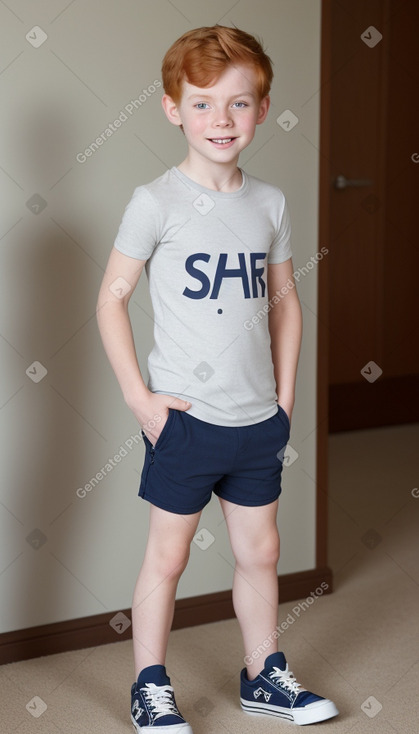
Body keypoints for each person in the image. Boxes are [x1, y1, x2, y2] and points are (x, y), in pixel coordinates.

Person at [97, 24, 339, 733]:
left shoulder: (268, 203)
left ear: (263, 108)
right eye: (202, 104)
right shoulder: (156, 201)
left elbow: (287, 300)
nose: (221, 120)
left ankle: (264, 675)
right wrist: (139, 399)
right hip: (187, 421)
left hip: (256, 420)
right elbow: (110, 299)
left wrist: (284, 397)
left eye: (239, 103)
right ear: (173, 108)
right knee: (166, 558)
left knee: (260, 550)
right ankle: (149, 683)